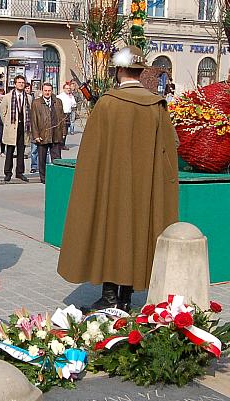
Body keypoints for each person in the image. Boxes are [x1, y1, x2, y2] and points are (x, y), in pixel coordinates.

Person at [57, 46, 179, 312]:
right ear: (140, 71)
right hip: (144, 186)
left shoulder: (108, 104)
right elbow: (169, 151)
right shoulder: (156, 106)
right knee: (137, 232)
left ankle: (111, 296)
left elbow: (91, 153)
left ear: (119, 70)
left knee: (111, 233)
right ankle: (127, 295)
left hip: (112, 184)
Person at [30, 82, 66, 184]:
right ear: (42, 91)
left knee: (57, 158)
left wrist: (63, 132)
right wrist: (36, 135)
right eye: (45, 90)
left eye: (49, 90)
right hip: (43, 134)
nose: (47, 92)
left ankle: (57, 176)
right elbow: (34, 120)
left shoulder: (58, 101)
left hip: (56, 134)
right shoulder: (36, 103)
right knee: (42, 158)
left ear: (52, 91)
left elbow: (62, 118)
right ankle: (44, 177)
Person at [0, 75, 32, 182]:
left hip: (23, 128)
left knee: (21, 151)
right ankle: (8, 173)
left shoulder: (28, 98)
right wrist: (8, 124)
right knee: (10, 151)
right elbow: (2, 112)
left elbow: (30, 112)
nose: (21, 84)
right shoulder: (8, 97)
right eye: (19, 82)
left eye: (23, 82)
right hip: (12, 128)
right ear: (15, 84)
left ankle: (20, 172)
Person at [56, 82, 77, 148]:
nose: (68, 90)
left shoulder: (71, 96)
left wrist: (71, 98)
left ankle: (63, 144)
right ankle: (59, 143)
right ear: (64, 89)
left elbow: (74, 104)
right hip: (61, 114)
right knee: (61, 129)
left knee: (66, 130)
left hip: (68, 114)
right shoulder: (60, 96)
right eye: (67, 88)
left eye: (69, 88)